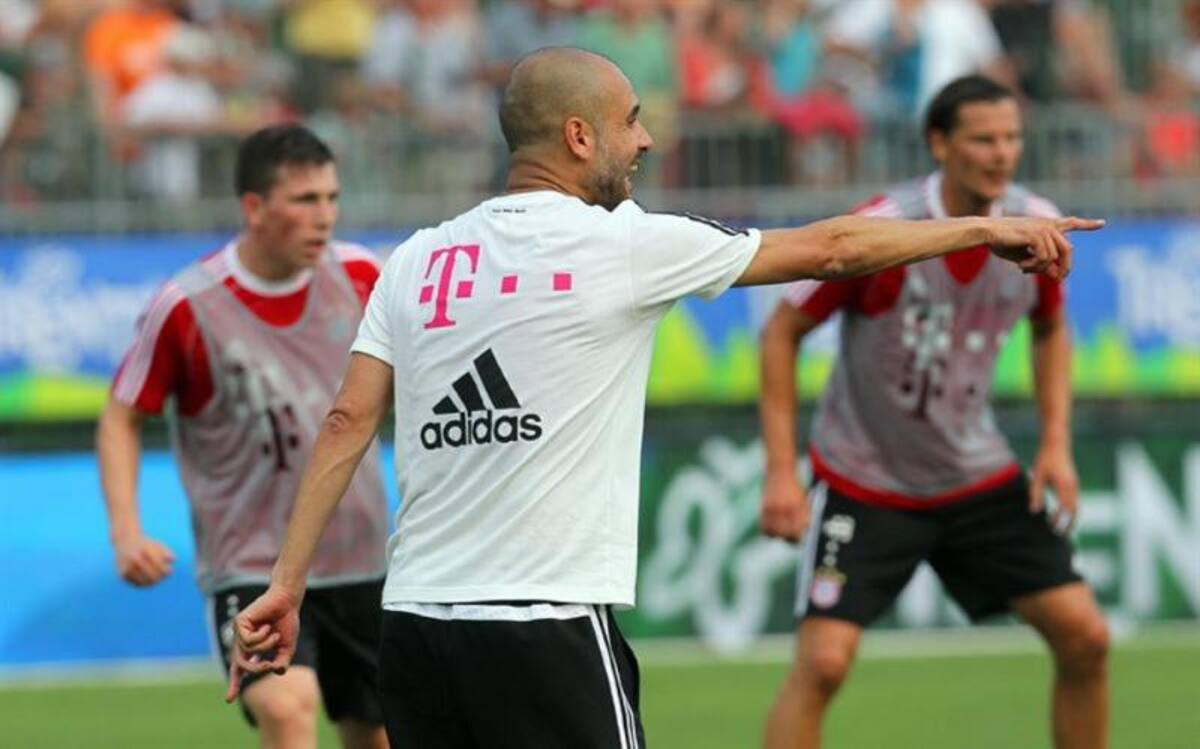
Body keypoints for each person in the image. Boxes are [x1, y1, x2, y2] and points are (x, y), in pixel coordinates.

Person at [225, 49, 1097, 749]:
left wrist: (286, 585)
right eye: (631, 119)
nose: (644, 139)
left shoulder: (417, 258)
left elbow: (348, 420)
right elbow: (832, 249)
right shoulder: (623, 244)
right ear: (578, 136)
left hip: (415, 625)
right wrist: (984, 228)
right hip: (546, 622)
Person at [758, 75, 1109, 749]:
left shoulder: (1037, 223)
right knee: (823, 664)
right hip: (865, 480)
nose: (1001, 153)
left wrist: (1055, 444)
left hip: (973, 476)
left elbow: (1049, 327)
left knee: (1086, 637)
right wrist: (780, 471)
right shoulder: (881, 229)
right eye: (983, 139)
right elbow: (781, 331)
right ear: (939, 144)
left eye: (1011, 138)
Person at [97, 124, 390, 749]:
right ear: (254, 207)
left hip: (361, 557)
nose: (325, 216)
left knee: (378, 732)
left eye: (332, 198)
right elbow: (122, 414)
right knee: (287, 706)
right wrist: (126, 532)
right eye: (305, 200)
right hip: (250, 563)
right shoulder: (187, 304)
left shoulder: (363, 276)